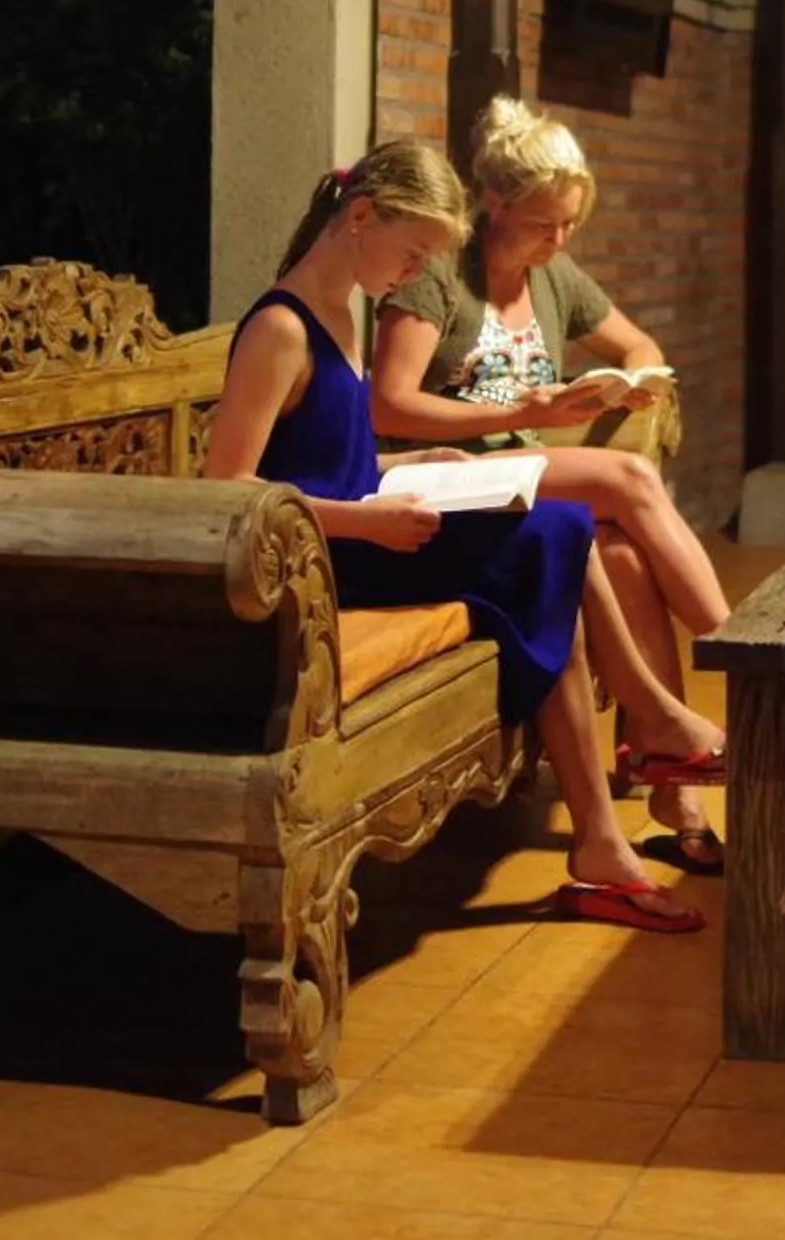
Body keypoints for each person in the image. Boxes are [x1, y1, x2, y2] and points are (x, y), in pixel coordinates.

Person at [206, 139, 717, 932]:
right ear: (361, 216)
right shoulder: (281, 327)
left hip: (366, 532)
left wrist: (410, 460)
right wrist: (364, 518)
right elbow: (230, 490)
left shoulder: (341, 312)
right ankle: (641, 747)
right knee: (556, 535)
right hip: (327, 560)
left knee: (555, 533)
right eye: (411, 254)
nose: (414, 275)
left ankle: (609, 826)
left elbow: (326, 454)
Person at [373, 99, 735, 871]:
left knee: (629, 563)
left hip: (524, 471)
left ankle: (675, 792)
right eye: (545, 224)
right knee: (632, 477)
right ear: (494, 202)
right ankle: (749, 656)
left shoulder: (552, 274)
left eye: (570, 223)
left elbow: (638, 341)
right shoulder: (439, 275)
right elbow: (389, 403)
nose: (560, 239)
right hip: (449, 481)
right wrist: (522, 407)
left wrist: (629, 382)